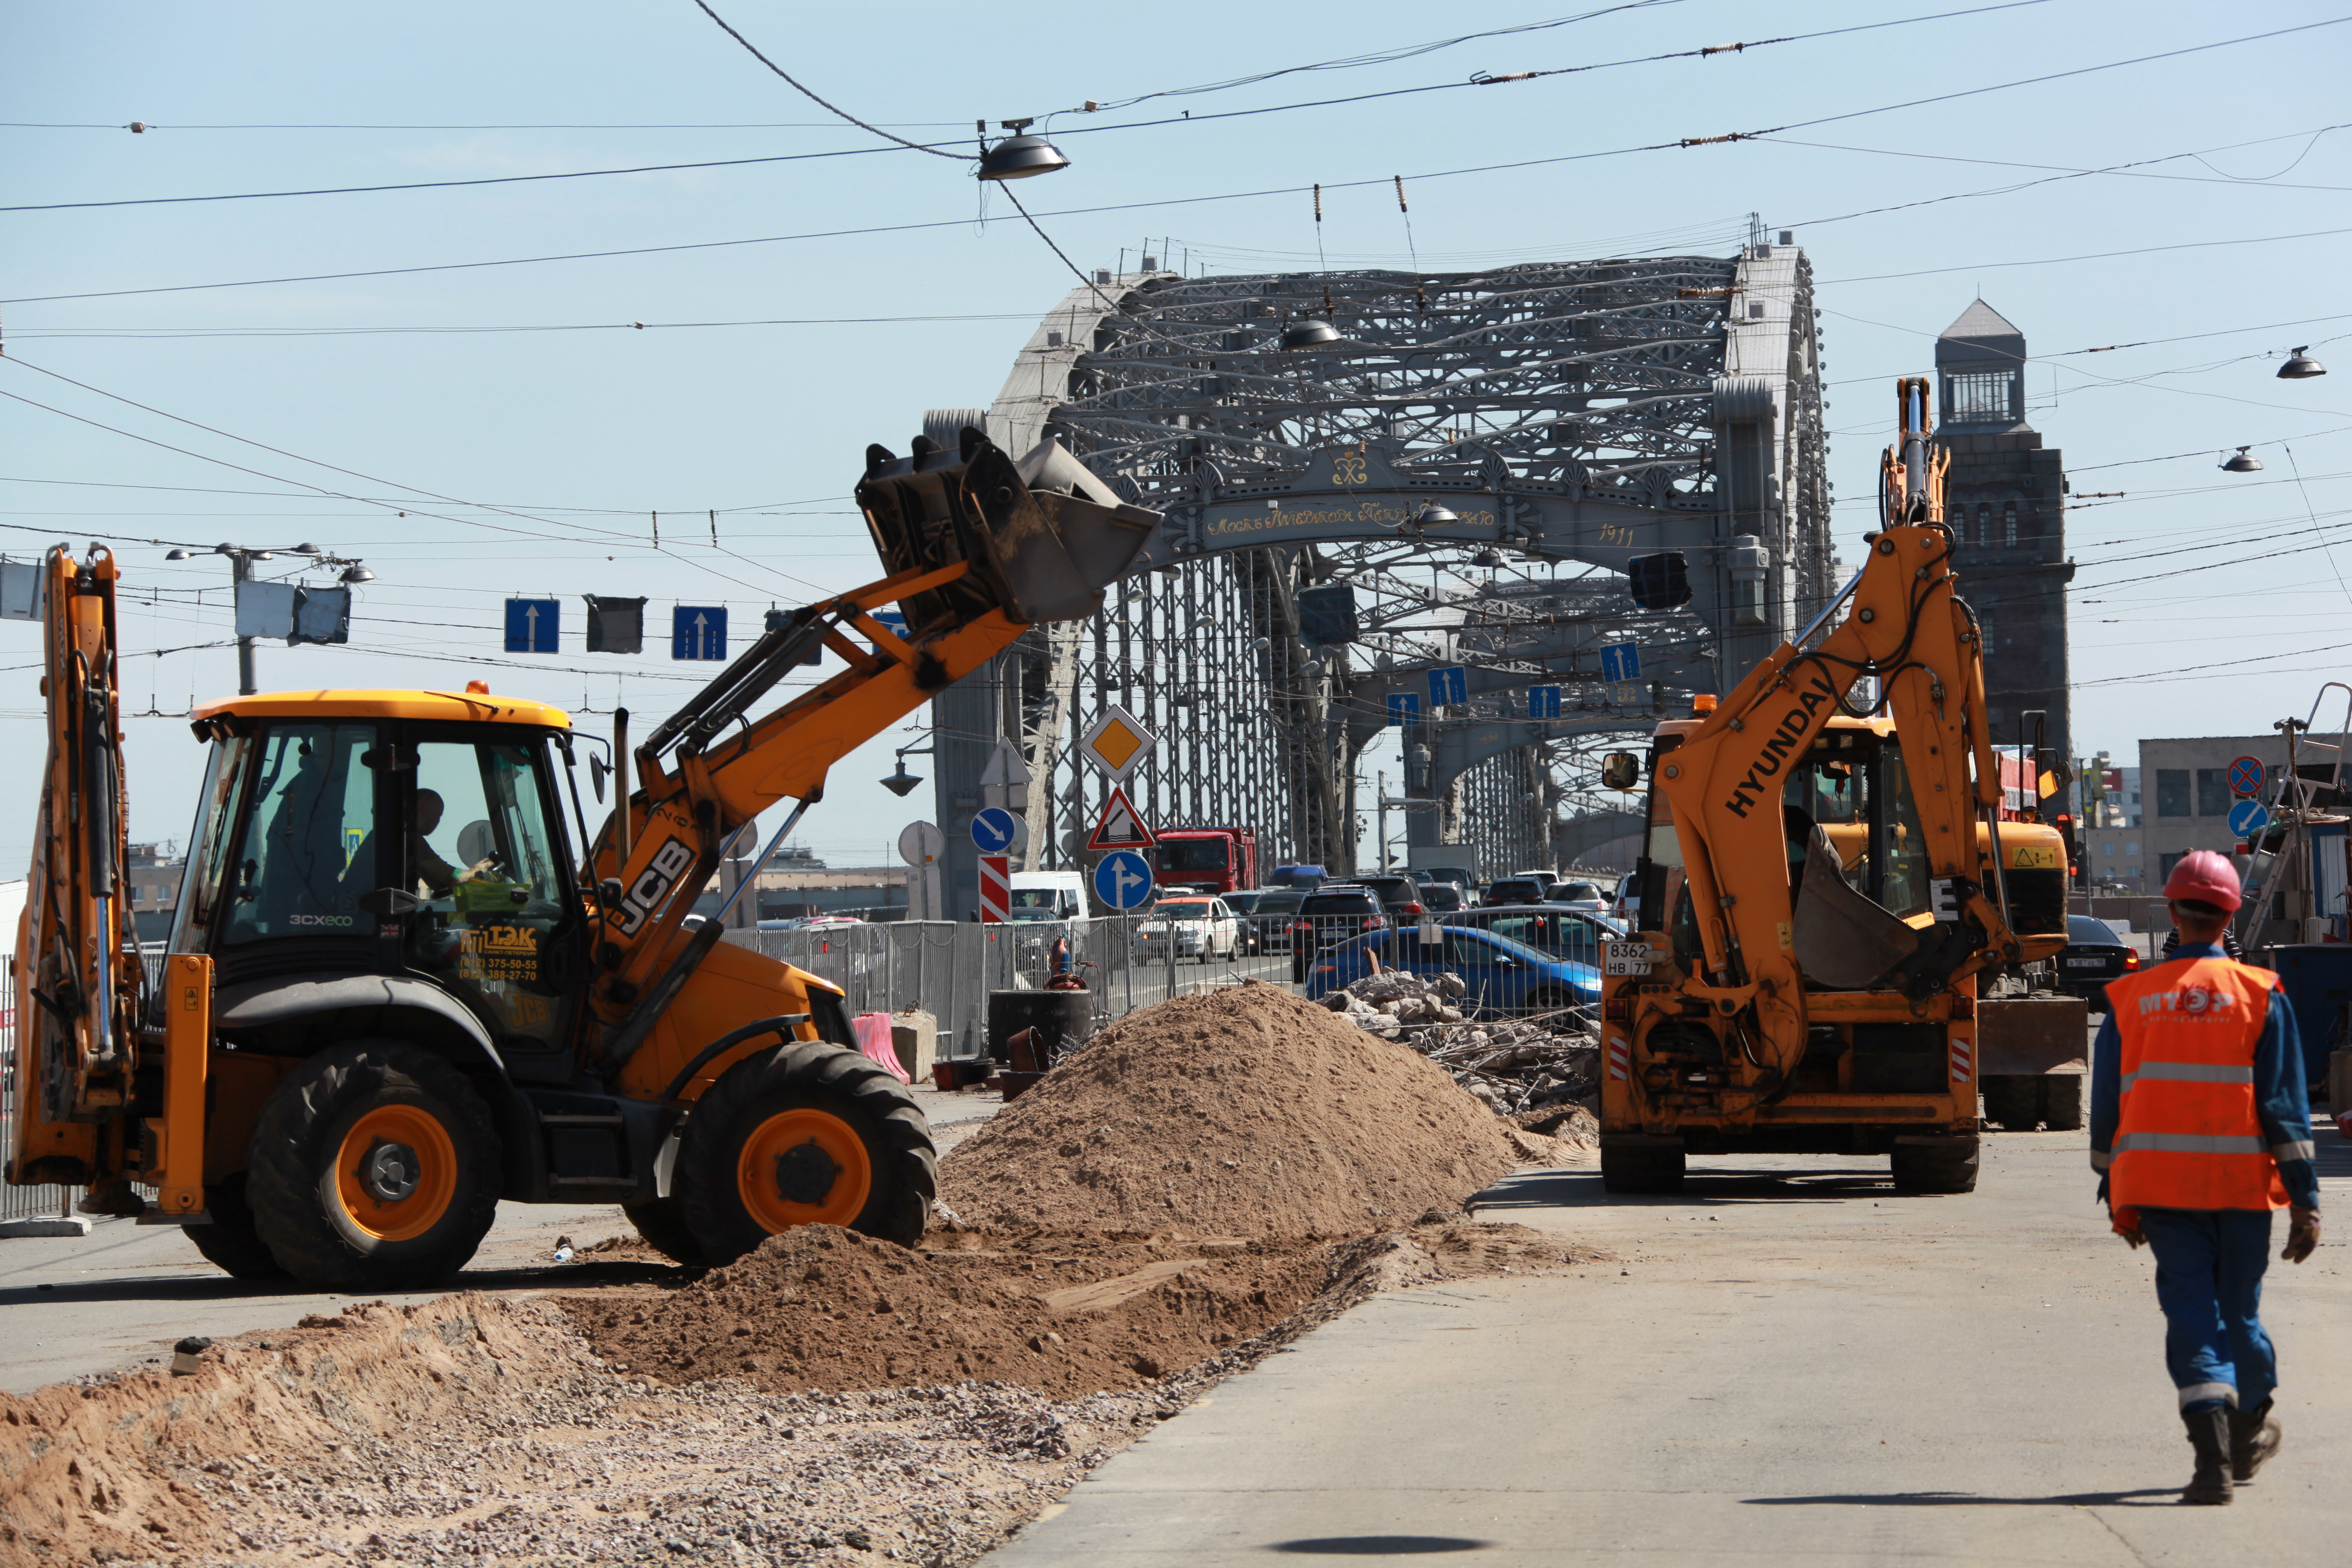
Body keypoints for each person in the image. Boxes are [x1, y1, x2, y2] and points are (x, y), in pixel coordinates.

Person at [2091, 849, 2321, 1505]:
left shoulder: (2132, 998)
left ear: (2172, 911)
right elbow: (2284, 1107)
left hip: (2162, 1190)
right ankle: (2246, 1429)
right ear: (2230, 917)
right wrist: (2306, 1203)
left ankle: (2212, 1460)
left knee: (2192, 1311)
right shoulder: (2259, 996)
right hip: (2241, 1189)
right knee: (2239, 1314)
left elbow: (2107, 1105)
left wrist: (2117, 1192)